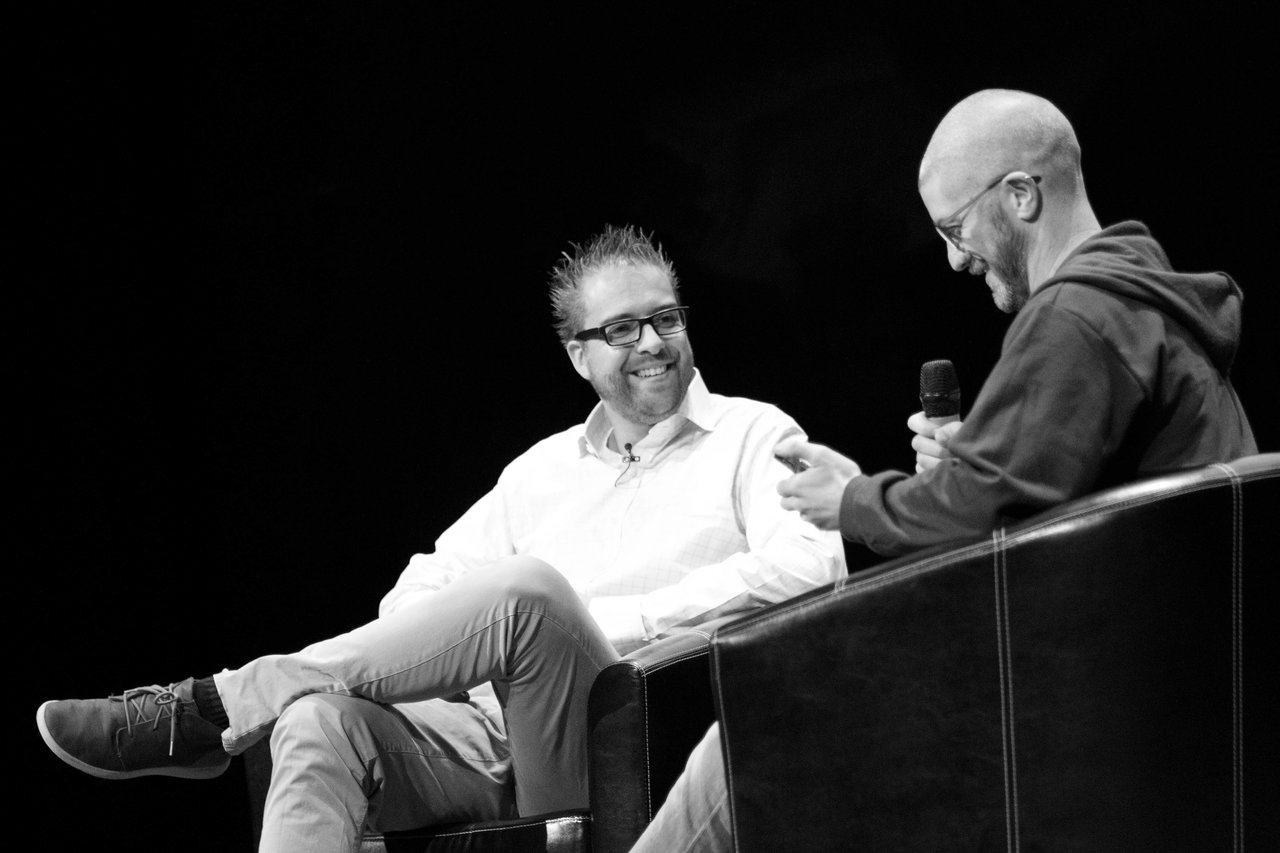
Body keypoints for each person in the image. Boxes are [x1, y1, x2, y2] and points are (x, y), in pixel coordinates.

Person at [36, 224, 846, 853]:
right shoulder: (541, 471)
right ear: (577, 354)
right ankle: (251, 702)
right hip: (489, 741)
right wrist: (471, 662)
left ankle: (216, 705)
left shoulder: (751, 433)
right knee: (319, 720)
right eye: (624, 328)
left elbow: (812, 565)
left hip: (632, 728)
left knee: (530, 593)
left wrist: (601, 621)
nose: (653, 343)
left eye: (665, 318)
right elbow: (417, 595)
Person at [628, 88, 1257, 852]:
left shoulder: (1079, 316)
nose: (956, 258)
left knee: (755, 733)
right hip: (1173, 692)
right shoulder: (1140, 299)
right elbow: (1056, 503)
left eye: (956, 229)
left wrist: (854, 499)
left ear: (1021, 194)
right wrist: (964, 463)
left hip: (1098, 706)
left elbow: (984, 506)